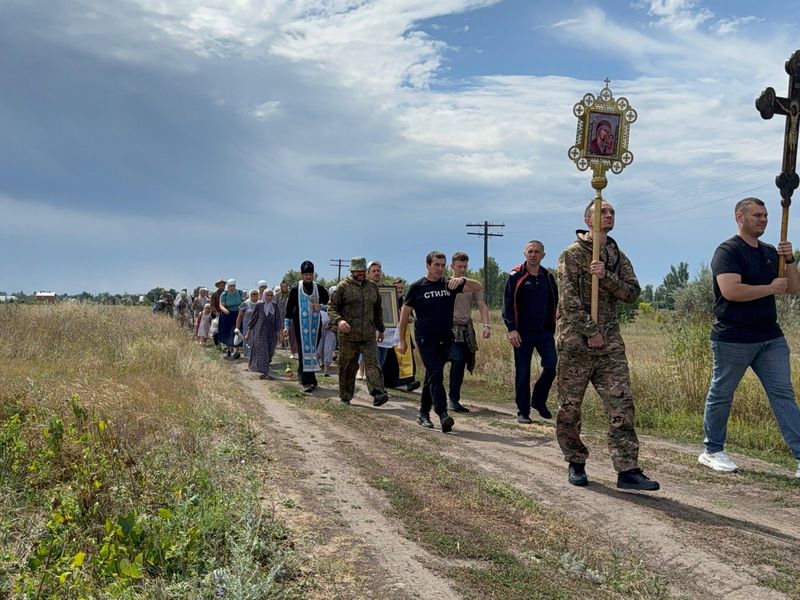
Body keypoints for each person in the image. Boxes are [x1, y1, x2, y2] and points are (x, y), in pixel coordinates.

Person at [556, 200, 659, 491]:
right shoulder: (572, 255)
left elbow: (632, 293)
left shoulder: (615, 253)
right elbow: (568, 299)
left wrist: (605, 276)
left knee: (621, 405)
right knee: (570, 407)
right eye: (603, 211)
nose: (609, 215)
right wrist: (590, 331)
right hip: (576, 343)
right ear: (587, 220)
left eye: (612, 212)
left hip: (610, 344)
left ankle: (627, 469)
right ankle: (575, 461)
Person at [698, 197, 800, 478]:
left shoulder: (770, 252)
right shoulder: (727, 251)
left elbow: (792, 287)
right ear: (739, 217)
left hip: (769, 336)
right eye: (757, 215)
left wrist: (789, 259)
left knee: (783, 395)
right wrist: (769, 288)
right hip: (733, 337)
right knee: (722, 394)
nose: (763, 219)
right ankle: (712, 450)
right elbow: (732, 291)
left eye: (765, 215)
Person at [397, 251, 482, 433]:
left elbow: (478, 286)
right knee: (436, 374)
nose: (440, 269)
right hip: (425, 339)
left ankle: (423, 413)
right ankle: (443, 414)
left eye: (443, 265)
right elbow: (404, 316)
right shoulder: (417, 287)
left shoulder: (449, 284)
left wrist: (463, 280)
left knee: (431, 376)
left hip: (445, 339)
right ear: (428, 265)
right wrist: (401, 340)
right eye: (436, 265)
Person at [502, 241, 558, 423]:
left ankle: (538, 400)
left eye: (537, 252)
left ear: (543, 255)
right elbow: (507, 304)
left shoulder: (548, 277)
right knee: (523, 372)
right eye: (530, 252)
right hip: (522, 333)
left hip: (544, 332)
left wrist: (554, 328)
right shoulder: (515, 275)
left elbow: (555, 304)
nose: (533, 255)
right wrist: (511, 329)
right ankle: (522, 411)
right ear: (525, 254)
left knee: (551, 365)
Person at [328, 257, 389, 406]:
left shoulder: (372, 287)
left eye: (363, 271)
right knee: (348, 366)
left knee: (373, 364)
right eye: (358, 271)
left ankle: (378, 393)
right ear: (352, 271)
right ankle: (345, 396)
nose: (361, 274)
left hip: (368, 334)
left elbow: (377, 310)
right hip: (348, 335)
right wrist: (339, 320)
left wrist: (381, 329)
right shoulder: (342, 287)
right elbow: (331, 307)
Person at [448, 251, 491, 413]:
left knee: (460, 362)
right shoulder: (446, 282)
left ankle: (453, 399)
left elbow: (481, 304)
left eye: (465, 266)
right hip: (448, 328)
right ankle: (438, 396)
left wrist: (487, 325)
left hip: (465, 328)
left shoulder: (472, 285)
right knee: (451, 360)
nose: (462, 269)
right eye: (459, 266)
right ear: (452, 266)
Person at [283, 261, 330, 393]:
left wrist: (321, 307)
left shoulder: (319, 288)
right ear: (302, 275)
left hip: (315, 325)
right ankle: (308, 381)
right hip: (300, 325)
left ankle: (304, 375)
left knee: (312, 352)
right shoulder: (295, 289)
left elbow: (330, 303)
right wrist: (286, 326)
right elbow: (289, 309)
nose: (308, 277)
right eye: (306, 274)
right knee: (304, 352)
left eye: (310, 274)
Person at [383, 278, 421, 392]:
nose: (400, 290)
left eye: (401, 288)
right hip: (390, 334)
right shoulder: (387, 301)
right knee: (392, 360)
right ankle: (392, 382)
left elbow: (413, 318)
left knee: (407, 357)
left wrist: (409, 318)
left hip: (404, 333)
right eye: (397, 288)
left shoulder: (407, 301)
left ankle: (409, 381)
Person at [247, 288, 282, 380]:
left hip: (272, 333)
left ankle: (262, 369)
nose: (269, 297)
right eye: (268, 295)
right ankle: (264, 373)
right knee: (263, 352)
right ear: (264, 295)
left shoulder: (274, 306)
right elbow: (253, 320)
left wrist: (281, 334)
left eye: (271, 295)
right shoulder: (259, 305)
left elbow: (278, 320)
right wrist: (248, 333)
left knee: (270, 352)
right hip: (260, 333)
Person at [218, 279, 243, 359]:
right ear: (227, 287)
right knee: (228, 333)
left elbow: (243, 302)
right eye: (230, 286)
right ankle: (229, 350)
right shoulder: (224, 294)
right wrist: (225, 310)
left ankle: (236, 351)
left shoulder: (239, 292)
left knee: (237, 332)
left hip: (237, 314)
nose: (232, 287)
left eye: (233, 286)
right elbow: (221, 305)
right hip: (227, 315)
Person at [236, 289, 261, 359]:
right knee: (248, 341)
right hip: (247, 326)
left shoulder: (261, 303)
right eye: (253, 294)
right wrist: (237, 328)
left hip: (258, 326)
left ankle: (257, 357)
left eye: (256, 294)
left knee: (258, 341)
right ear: (250, 295)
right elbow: (240, 316)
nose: (255, 296)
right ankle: (249, 357)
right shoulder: (245, 304)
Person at [210, 278, 225, 348]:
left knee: (223, 329)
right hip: (216, 314)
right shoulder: (214, 294)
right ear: (218, 286)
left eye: (223, 285)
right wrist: (215, 312)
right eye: (220, 285)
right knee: (216, 330)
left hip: (224, 313)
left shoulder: (226, 293)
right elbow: (212, 304)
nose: (222, 286)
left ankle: (223, 344)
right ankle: (217, 345)